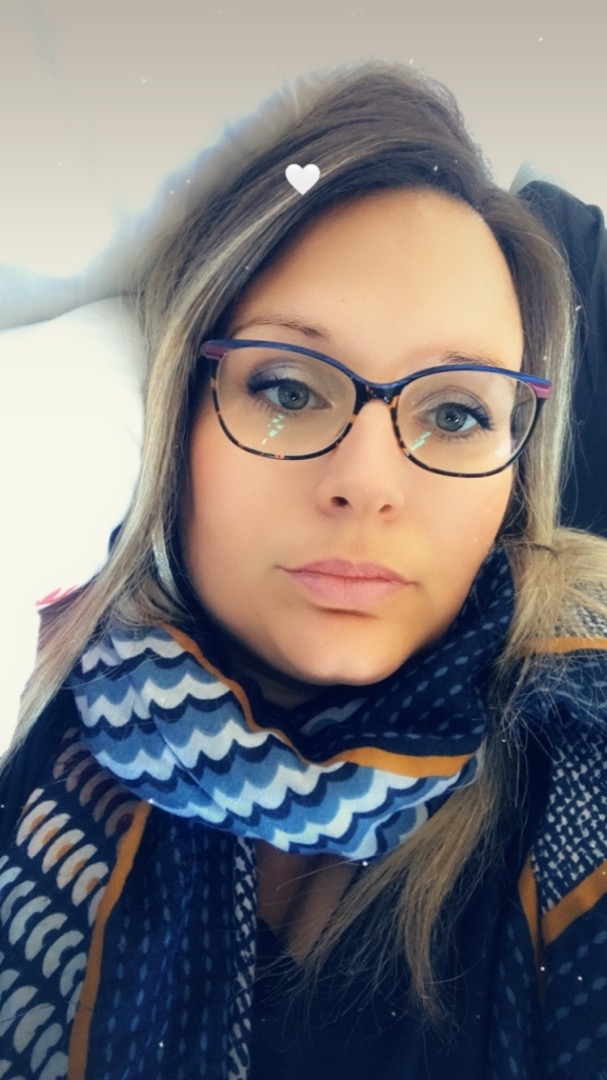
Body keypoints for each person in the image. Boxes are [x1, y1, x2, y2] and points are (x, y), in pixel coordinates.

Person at [1, 60, 606, 1080]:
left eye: (455, 412)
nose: (365, 483)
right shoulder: (30, 712)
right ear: (176, 410)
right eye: (286, 387)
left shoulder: (578, 738)